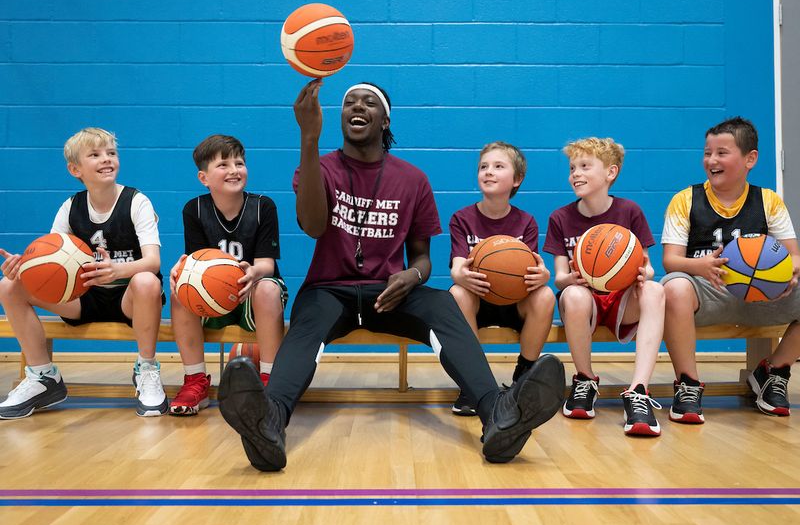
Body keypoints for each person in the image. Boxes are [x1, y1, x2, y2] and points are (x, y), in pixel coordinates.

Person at [217, 80, 565, 471]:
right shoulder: (318, 168)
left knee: (443, 304)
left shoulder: (413, 179)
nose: (356, 107)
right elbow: (313, 226)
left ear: (385, 120)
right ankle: (269, 422)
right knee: (307, 323)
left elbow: (422, 258)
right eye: (349, 102)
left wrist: (412, 276)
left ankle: (498, 416)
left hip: (389, 292)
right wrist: (309, 138)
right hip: (329, 290)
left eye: (368, 102)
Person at [0, 127, 167, 418]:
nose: (107, 158)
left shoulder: (136, 201)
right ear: (75, 169)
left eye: (111, 152)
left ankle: (147, 369)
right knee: (9, 286)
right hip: (85, 297)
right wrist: (23, 267)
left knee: (146, 281)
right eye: (95, 154)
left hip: (130, 299)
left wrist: (116, 270)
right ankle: (43, 377)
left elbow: (153, 262)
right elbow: (48, 261)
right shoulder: (70, 207)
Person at [661, 116, 800, 421]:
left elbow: (794, 256)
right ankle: (687, 383)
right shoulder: (685, 200)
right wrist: (701, 265)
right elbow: (670, 260)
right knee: (673, 286)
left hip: (761, 297)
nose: (711, 160)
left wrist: (789, 274)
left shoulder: (768, 201)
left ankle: (774, 371)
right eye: (707, 153)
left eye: (721, 153)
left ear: (750, 159)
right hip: (708, 294)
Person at [544, 137, 665, 437]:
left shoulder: (629, 211)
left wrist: (643, 274)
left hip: (622, 299)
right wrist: (571, 279)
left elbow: (648, 266)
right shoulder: (560, 217)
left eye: (585, 166)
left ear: (611, 172)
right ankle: (585, 380)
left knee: (655, 289)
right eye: (572, 168)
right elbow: (559, 277)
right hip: (585, 302)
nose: (576, 173)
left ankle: (639, 392)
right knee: (572, 294)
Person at [168, 134, 287, 416]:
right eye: (223, 165)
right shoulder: (195, 209)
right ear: (204, 178)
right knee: (180, 291)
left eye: (239, 163)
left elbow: (267, 265)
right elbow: (196, 264)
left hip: (253, 295)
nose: (234, 170)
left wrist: (252, 272)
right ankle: (195, 381)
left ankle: (270, 380)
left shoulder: (263, 207)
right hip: (214, 298)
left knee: (267, 288)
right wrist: (180, 270)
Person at [448, 141, 555, 416]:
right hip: (479, 301)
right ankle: (473, 383)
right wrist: (460, 274)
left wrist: (543, 275)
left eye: (498, 166)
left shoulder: (526, 221)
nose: (488, 171)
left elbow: (533, 269)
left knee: (545, 294)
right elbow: (457, 267)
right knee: (457, 293)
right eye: (483, 166)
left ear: (517, 179)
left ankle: (523, 378)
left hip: (513, 302)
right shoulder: (462, 218)